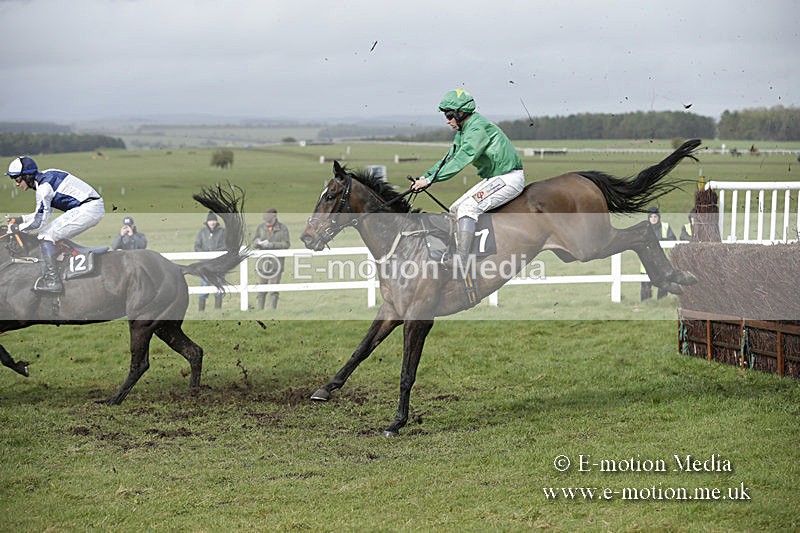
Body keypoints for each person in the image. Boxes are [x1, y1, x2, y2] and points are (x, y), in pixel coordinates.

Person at [411, 89, 525, 268]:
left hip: (509, 178)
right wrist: (425, 177)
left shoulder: (477, 128)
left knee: (468, 207)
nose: (447, 120)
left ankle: (462, 261)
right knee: (454, 208)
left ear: (461, 113)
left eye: (449, 115)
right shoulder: (463, 131)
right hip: (495, 177)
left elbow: (462, 158)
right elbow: (448, 158)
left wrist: (431, 180)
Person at [5, 156, 105, 293]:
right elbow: (42, 213)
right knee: (48, 233)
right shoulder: (46, 177)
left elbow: (39, 222)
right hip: (89, 206)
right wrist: (20, 219)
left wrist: (16, 229)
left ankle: (53, 280)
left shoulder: (43, 189)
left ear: (27, 176)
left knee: (45, 235)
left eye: (17, 179)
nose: (17, 184)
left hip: (88, 208)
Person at [252, 208, 290, 310]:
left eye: (269, 221)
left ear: (275, 217)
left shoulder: (283, 228)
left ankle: (272, 310)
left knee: (274, 289)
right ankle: (260, 310)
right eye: (266, 221)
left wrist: (271, 244)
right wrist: (258, 242)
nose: (267, 223)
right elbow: (254, 242)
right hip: (262, 263)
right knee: (261, 288)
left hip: (276, 264)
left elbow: (286, 244)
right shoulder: (260, 228)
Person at [640, 206, 676, 301]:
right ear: (648, 218)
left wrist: (661, 241)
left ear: (659, 217)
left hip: (662, 263)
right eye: (651, 217)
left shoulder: (666, 227)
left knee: (663, 287)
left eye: (655, 216)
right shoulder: (643, 228)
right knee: (646, 288)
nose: (653, 219)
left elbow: (673, 240)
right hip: (646, 264)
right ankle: (646, 305)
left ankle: (662, 304)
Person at [194, 211, 226, 310]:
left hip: (218, 264)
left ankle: (218, 310)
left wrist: (215, 253)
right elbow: (197, 246)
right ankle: (201, 311)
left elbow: (226, 246)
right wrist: (205, 255)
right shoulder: (202, 232)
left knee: (219, 284)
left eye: (214, 220)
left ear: (216, 222)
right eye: (210, 221)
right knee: (204, 285)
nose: (212, 223)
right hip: (205, 265)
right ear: (207, 222)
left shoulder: (222, 232)